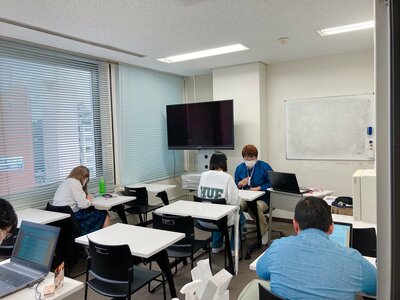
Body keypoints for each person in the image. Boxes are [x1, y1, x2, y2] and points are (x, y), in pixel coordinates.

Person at [255, 196, 377, 299]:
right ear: (331, 227)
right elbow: (378, 285)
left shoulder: (278, 247)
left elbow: (261, 272)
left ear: (295, 225)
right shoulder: (353, 260)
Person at [197, 152, 243, 254]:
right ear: (224, 163)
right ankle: (233, 249)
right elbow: (235, 201)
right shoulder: (227, 178)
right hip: (220, 222)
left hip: (203, 220)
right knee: (240, 216)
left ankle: (216, 246)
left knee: (216, 212)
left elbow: (200, 195)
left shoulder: (203, 175)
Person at [53, 166, 110, 235]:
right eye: (86, 179)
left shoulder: (65, 182)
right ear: (83, 177)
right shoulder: (76, 183)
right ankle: (105, 241)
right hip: (73, 217)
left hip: (61, 217)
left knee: (92, 210)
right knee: (104, 214)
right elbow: (83, 205)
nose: (86, 181)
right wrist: (89, 199)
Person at [234, 144, 273, 245]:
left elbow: (273, 183)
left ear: (256, 157)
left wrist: (259, 188)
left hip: (263, 199)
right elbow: (234, 185)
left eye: (251, 157)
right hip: (246, 198)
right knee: (236, 207)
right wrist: (239, 184)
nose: (249, 159)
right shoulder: (239, 168)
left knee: (255, 207)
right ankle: (238, 232)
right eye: (246, 157)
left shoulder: (264, 167)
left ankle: (264, 232)